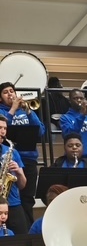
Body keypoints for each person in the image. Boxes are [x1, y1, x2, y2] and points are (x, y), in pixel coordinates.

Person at [0, 81, 45, 226]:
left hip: (29, 159)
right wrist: (12, 110)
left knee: (27, 199)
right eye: (6, 92)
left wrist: (29, 112)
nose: (10, 94)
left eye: (12, 91)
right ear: (0, 98)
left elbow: (40, 131)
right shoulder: (2, 113)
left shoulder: (26, 111)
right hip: (8, 160)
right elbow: (3, 127)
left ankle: (27, 229)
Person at [0, 114, 28, 235]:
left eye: (5, 128)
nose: (2, 131)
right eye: (0, 128)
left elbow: (22, 185)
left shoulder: (12, 151)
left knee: (22, 239)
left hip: (13, 203)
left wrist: (18, 172)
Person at [60, 89, 87, 161]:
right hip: (74, 158)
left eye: (81, 98)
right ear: (70, 100)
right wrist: (81, 116)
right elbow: (69, 135)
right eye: (75, 98)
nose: (79, 100)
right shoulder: (65, 118)